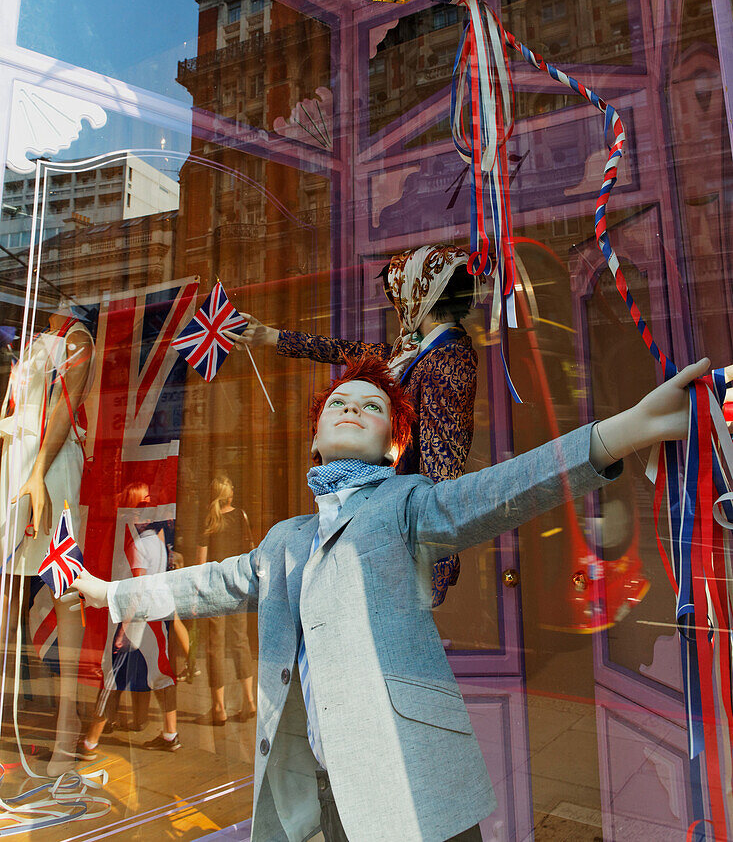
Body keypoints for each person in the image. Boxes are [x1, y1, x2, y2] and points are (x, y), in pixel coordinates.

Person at [67, 352, 708, 842]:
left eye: (371, 407)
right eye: (338, 401)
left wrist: (620, 432)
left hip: (412, 776)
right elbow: (205, 583)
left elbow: (500, 491)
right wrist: (110, 591)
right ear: (314, 439)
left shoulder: (404, 502)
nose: (351, 407)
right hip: (326, 781)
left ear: (395, 446)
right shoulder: (284, 541)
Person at [233, 243, 478, 605]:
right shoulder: (414, 349)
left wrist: (436, 561)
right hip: (386, 519)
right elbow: (346, 350)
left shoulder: (448, 357)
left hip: (405, 531)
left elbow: (444, 456)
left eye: (399, 297)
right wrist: (271, 336)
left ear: (418, 295)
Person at [0, 302, 94, 776]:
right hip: (17, 461)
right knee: (7, 588)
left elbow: (64, 407)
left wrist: (37, 472)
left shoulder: (78, 339)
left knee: (61, 584)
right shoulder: (36, 341)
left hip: (50, 466)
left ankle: (67, 723)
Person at [79, 482, 180, 759]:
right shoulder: (158, 540)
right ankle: (170, 734)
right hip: (156, 615)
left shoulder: (137, 544)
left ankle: (90, 742)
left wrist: (123, 629)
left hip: (138, 618)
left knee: (111, 678)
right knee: (162, 675)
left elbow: (137, 587)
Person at [196, 472, 256, 724]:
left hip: (214, 589)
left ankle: (219, 708)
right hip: (238, 587)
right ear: (229, 493)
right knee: (240, 641)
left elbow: (200, 563)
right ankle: (249, 700)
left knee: (215, 647)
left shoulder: (209, 520)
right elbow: (251, 552)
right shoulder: (241, 516)